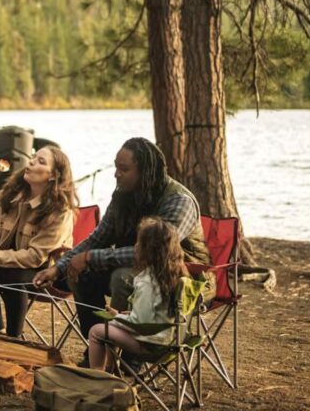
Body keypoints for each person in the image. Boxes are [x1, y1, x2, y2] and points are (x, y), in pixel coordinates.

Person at [33, 137, 213, 351]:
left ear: (145, 172)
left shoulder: (178, 201)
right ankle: (99, 345)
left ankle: (130, 357)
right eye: (117, 167)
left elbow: (153, 253)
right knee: (79, 272)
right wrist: (60, 266)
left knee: (123, 278)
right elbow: (97, 238)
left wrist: (91, 257)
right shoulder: (122, 196)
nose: (116, 174)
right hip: (140, 270)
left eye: (124, 169)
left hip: (183, 277)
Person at [0, 145, 77, 336]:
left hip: (48, 274)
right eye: (33, 157)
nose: (31, 162)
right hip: (10, 268)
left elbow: (35, 257)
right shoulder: (10, 198)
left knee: (13, 277)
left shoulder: (60, 211)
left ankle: (14, 338)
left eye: (41, 161)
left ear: (53, 176)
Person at [88, 218, 187, 370]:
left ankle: (96, 377)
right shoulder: (174, 276)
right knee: (112, 326)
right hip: (171, 339)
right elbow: (151, 315)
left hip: (150, 345)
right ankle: (109, 370)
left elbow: (137, 325)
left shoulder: (148, 282)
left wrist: (117, 317)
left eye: (139, 243)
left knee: (96, 331)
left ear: (148, 250)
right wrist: (125, 316)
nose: (135, 246)